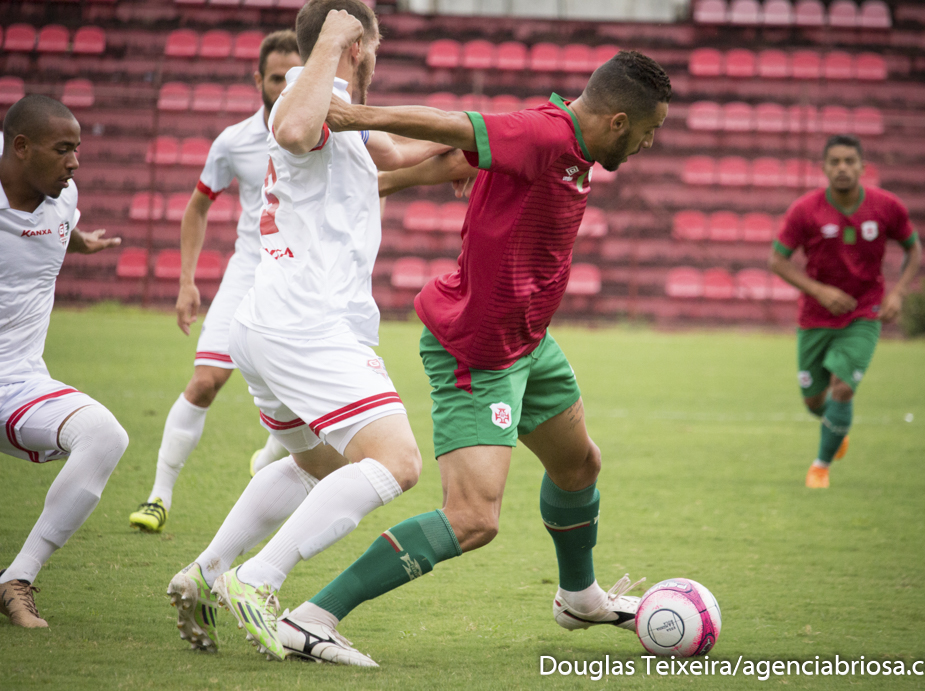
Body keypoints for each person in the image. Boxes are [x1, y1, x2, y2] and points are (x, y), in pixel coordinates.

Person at [252, 49, 671, 666]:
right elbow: (455, 126)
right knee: (473, 518)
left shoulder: (569, 146)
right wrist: (348, 116)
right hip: (478, 352)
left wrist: (385, 183)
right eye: (648, 130)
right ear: (617, 122)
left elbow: (461, 157)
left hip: (531, 343)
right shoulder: (543, 132)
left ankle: (579, 597)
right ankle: (311, 618)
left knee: (580, 466)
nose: (648, 143)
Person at [166, 0, 449, 661]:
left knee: (315, 464)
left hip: (273, 318)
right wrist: (333, 37)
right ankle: (258, 579)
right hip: (306, 321)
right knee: (397, 462)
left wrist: (479, 142)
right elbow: (293, 130)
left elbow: (395, 151)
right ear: (358, 44)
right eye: (367, 43)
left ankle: (206, 572)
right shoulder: (306, 94)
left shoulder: (338, 111)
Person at [128, 32, 304, 533]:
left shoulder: (324, 133)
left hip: (299, 280)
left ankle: (269, 455)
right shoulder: (234, 142)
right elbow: (198, 206)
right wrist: (187, 281)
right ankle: (159, 496)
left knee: (302, 395)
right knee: (206, 381)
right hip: (249, 270)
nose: (286, 86)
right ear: (259, 81)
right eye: (276, 77)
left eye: (296, 76)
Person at [0, 95, 128, 628]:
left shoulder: (63, 197)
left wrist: (80, 243)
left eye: (77, 150)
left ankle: (16, 578)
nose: (75, 162)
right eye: (63, 150)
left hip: (19, 383)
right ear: (21, 147)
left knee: (106, 435)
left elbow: (56, 233)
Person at [770, 134, 921, 488]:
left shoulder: (887, 207)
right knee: (813, 400)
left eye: (849, 161)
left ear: (862, 167)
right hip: (814, 317)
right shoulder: (804, 210)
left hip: (863, 314)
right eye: (834, 162)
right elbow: (776, 260)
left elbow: (914, 250)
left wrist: (898, 293)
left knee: (842, 388)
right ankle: (836, 428)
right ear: (823, 168)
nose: (842, 168)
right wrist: (820, 291)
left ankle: (820, 467)